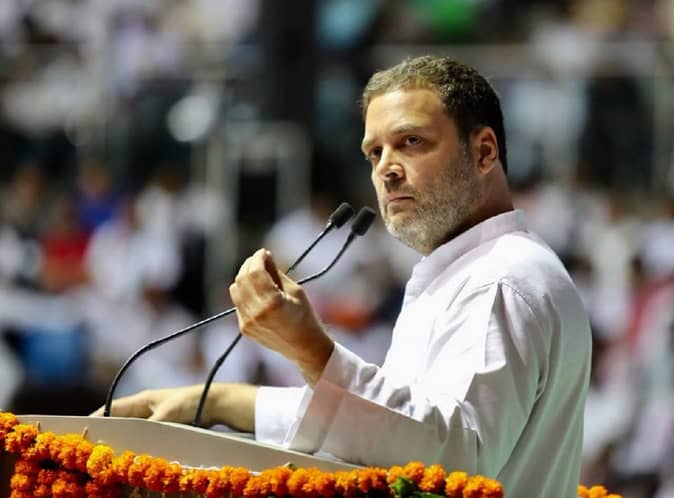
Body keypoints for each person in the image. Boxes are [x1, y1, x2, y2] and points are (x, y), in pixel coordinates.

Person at [95, 56, 592, 498]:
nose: (386, 170)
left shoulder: (500, 277)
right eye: (375, 153)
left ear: (484, 152)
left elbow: (454, 459)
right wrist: (218, 402)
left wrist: (312, 352)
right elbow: (396, 428)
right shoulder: (478, 268)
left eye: (411, 142)